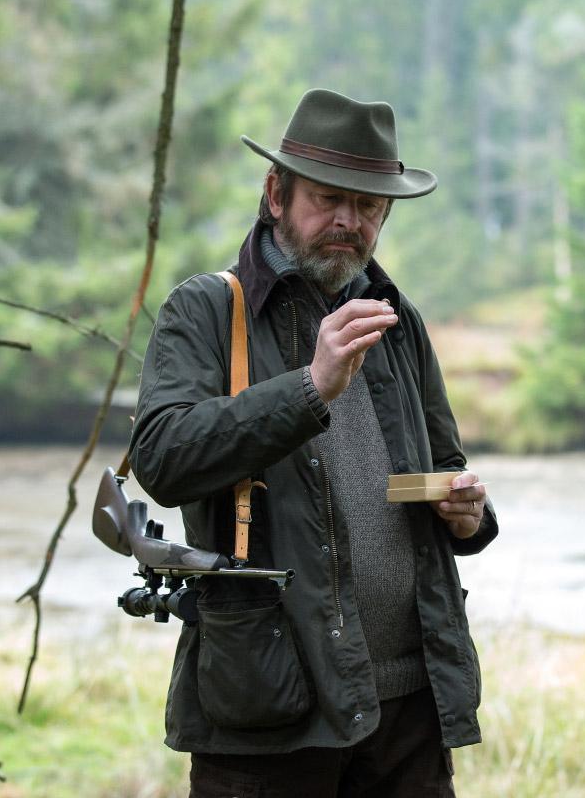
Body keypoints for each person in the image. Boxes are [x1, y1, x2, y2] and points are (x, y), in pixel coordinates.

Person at [128, 88, 498, 797]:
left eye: (368, 208)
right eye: (329, 199)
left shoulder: (398, 320)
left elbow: (445, 466)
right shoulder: (207, 309)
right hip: (271, 710)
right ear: (276, 193)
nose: (347, 223)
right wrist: (310, 386)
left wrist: (467, 512)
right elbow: (163, 458)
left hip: (408, 713)